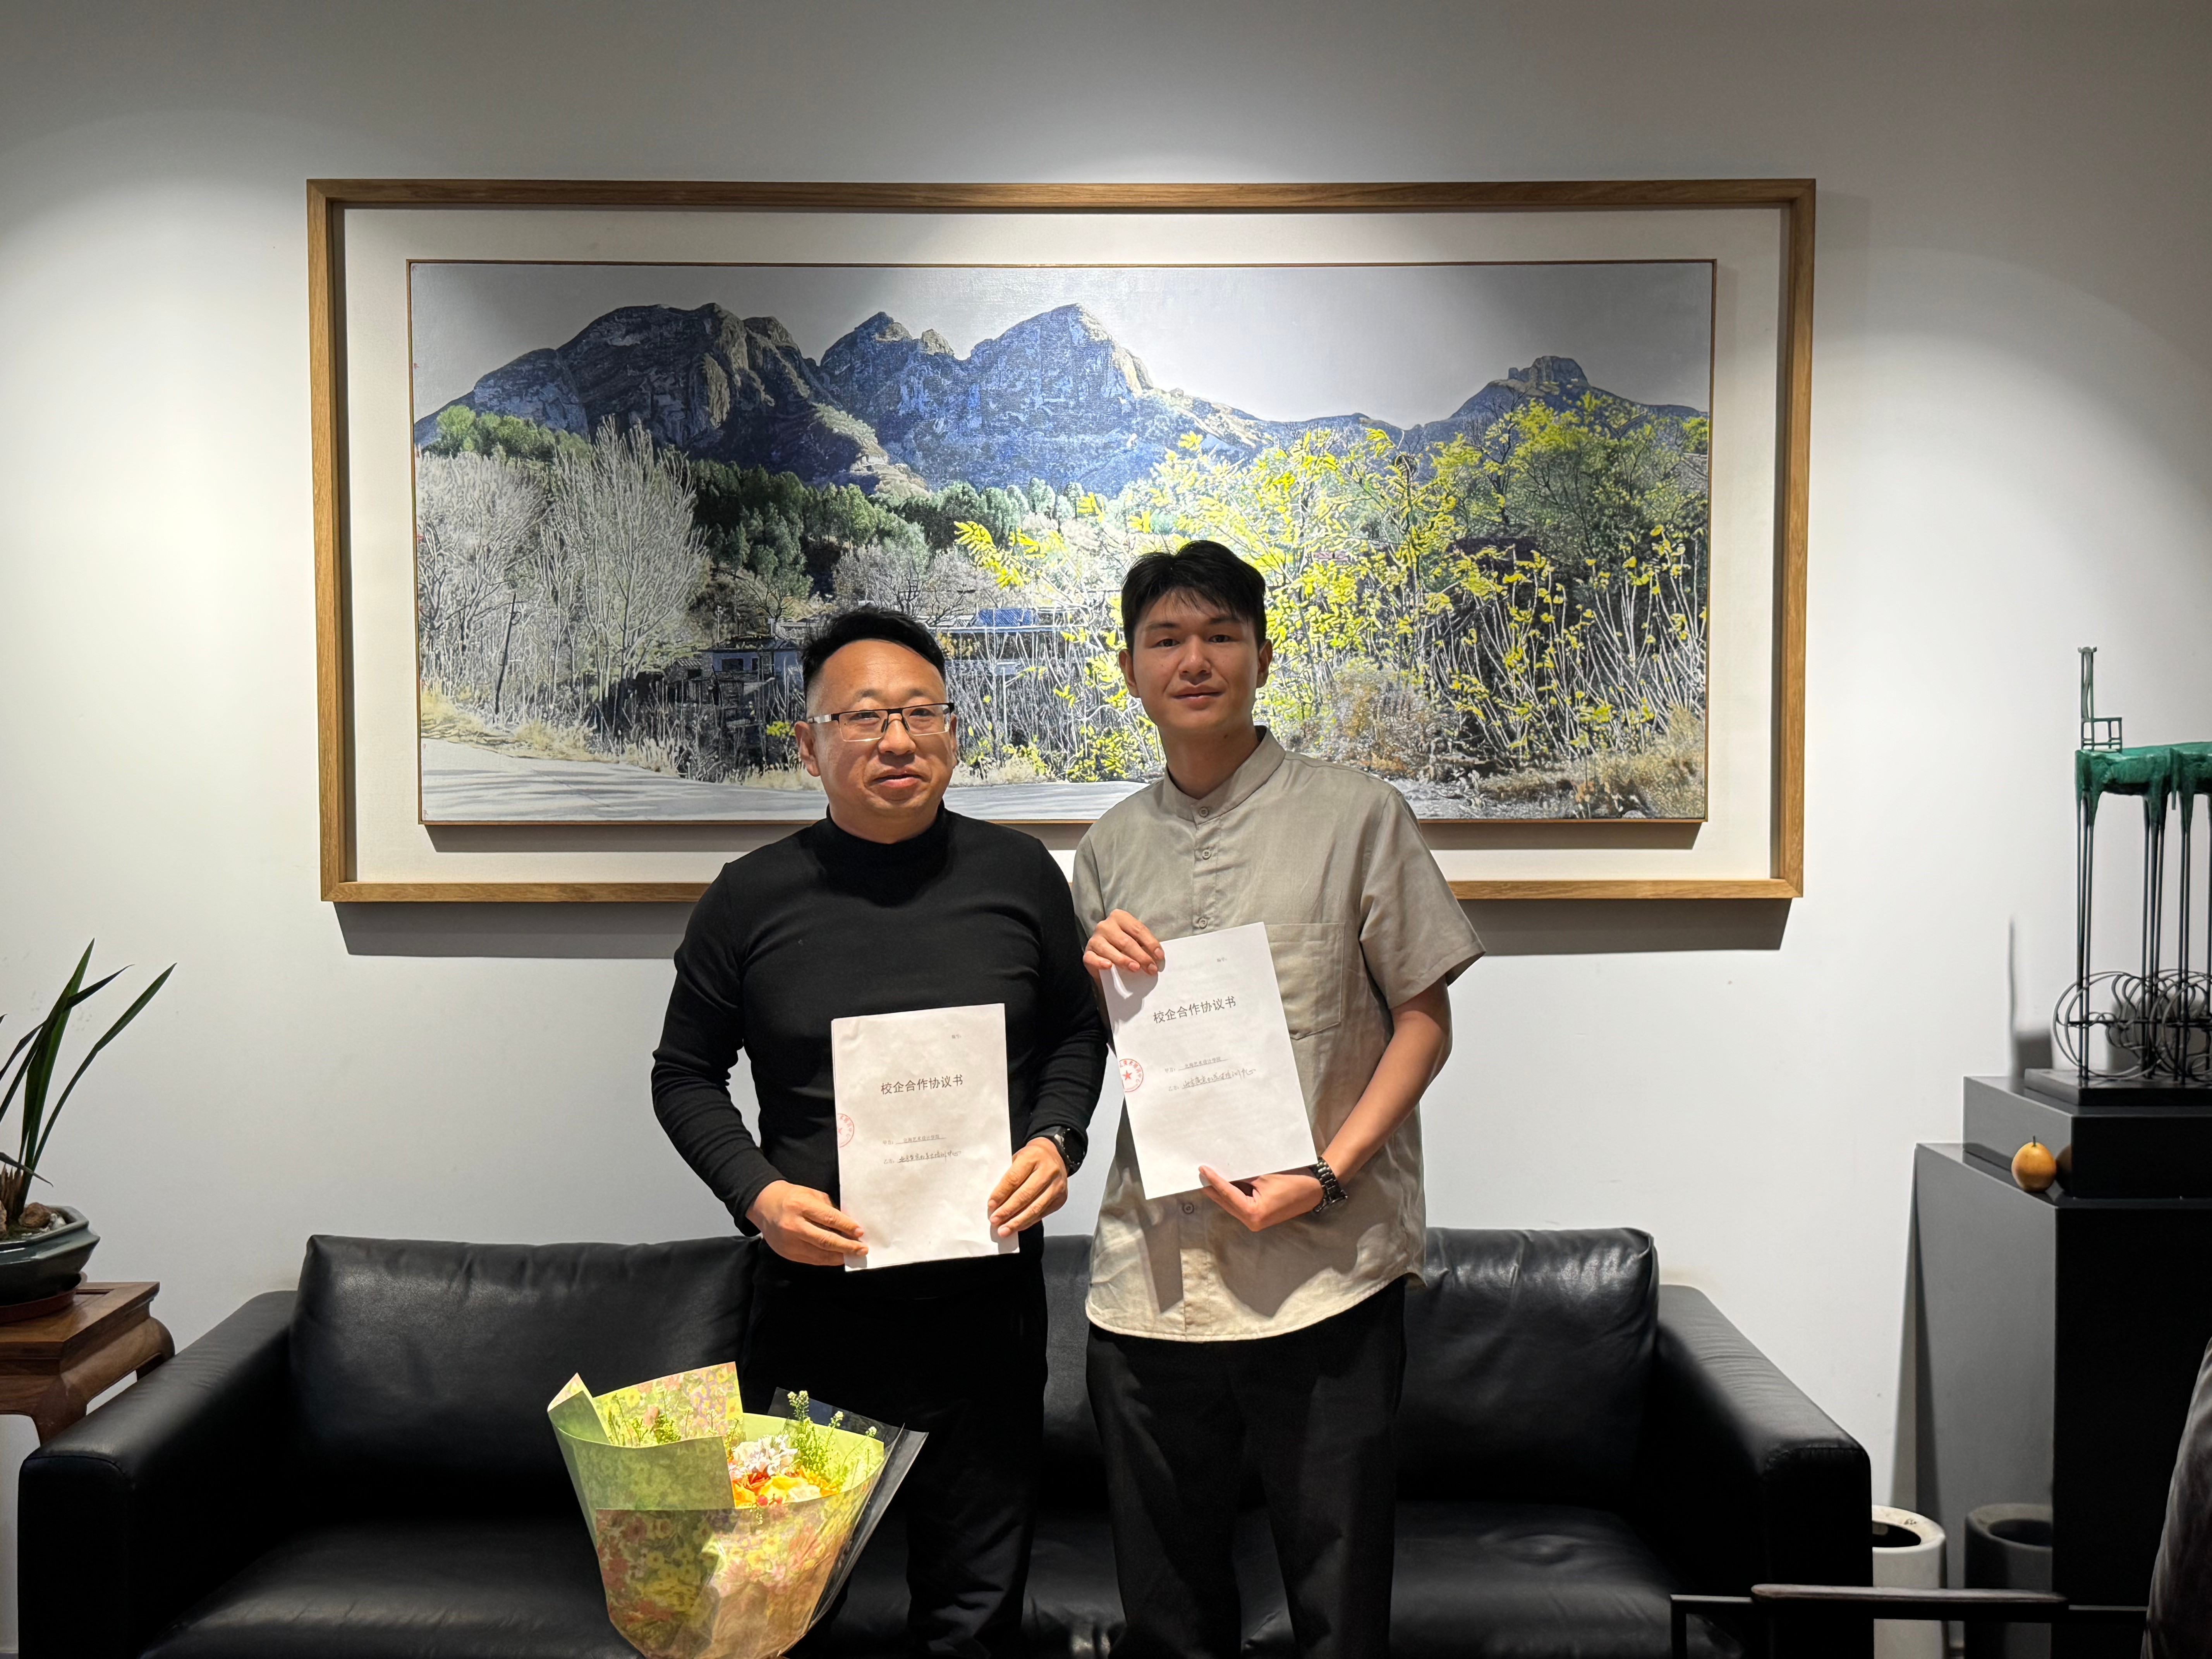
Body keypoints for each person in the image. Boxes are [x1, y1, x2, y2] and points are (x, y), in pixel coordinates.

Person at [651, 606, 1107, 1659]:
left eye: (919, 713)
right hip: (815, 1317)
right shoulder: (749, 898)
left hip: (987, 1315)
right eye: (862, 717)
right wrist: (759, 1195)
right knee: (779, 1610)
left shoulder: (1019, 875)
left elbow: (1077, 1035)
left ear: (952, 732)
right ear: (809, 744)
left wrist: (1058, 1139)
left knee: (973, 1617)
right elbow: (684, 1075)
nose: (897, 740)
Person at [1075, 540, 1483, 1659]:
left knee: (1339, 1616)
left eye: (1221, 635)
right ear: (1130, 668)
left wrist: (1326, 1175)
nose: (1194, 660)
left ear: (1264, 655)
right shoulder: (1108, 848)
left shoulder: (1359, 816)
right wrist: (1093, 968)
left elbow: (1425, 1021)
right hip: (1153, 1279)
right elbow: (1113, 1050)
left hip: (1327, 1272)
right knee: (1169, 1619)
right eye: (1166, 638)